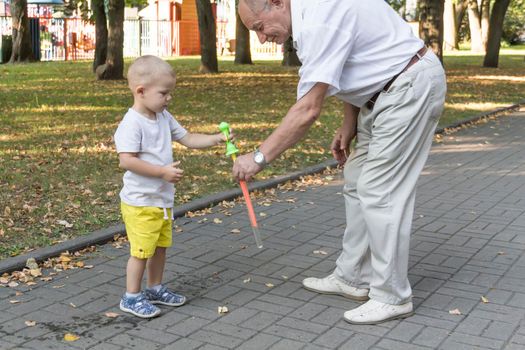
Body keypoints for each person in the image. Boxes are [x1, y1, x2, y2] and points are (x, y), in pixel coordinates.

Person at [234, 0, 446, 325]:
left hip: (408, 86)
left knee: (380, 190)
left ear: (276, 3)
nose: (261, 38)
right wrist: (350, 123)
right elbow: (351, 66)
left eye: (259, 28)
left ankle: (392, 296)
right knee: (357, 177)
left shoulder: (318, 20)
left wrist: (258, 158)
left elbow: (307, 110)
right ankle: (353, 277)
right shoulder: (311, 16)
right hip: (383, 93)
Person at [114, 55, 231, 318]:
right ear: (141, 91)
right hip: (141, 201)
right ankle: (131, 297)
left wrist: (216, 139)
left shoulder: (163, 117)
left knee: (160, 247)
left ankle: (154, 288)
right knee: (141, 251)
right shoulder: (132, 123)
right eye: (164, 93)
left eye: (170, 93)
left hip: (161, 201)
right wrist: (161, 172)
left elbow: (187, 138)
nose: (169, 98)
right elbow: (126, 161)